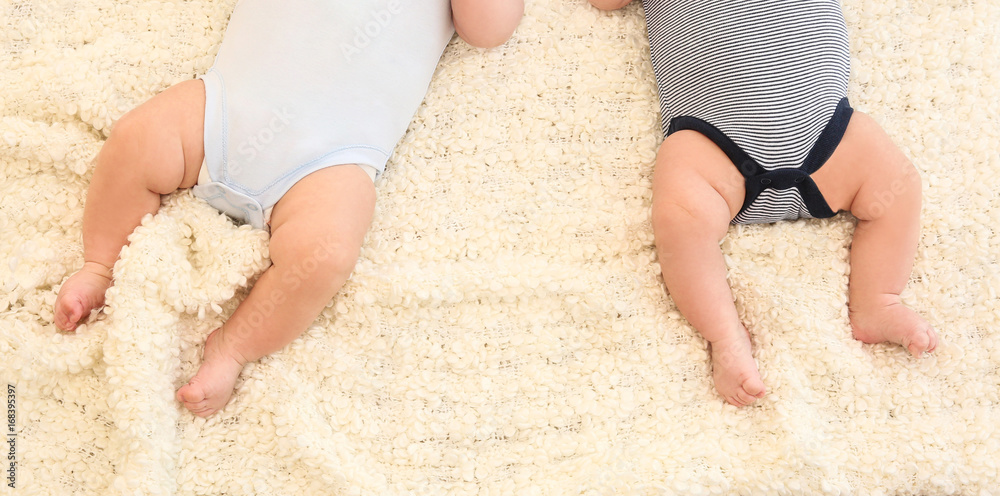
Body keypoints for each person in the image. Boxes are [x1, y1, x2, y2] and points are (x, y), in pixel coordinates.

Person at [54, 0, 524, 417]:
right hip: (226, 108)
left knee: (327, 253)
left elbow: (489, 28)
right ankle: (101, 265)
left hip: (328, 161)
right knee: (136, 141)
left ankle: (234, 347)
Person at [589, 0, 938, 406]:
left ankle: (877, 301)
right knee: (680, 220)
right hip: (717, 146)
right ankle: (725, 336)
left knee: (898, 186)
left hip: (828, 136)